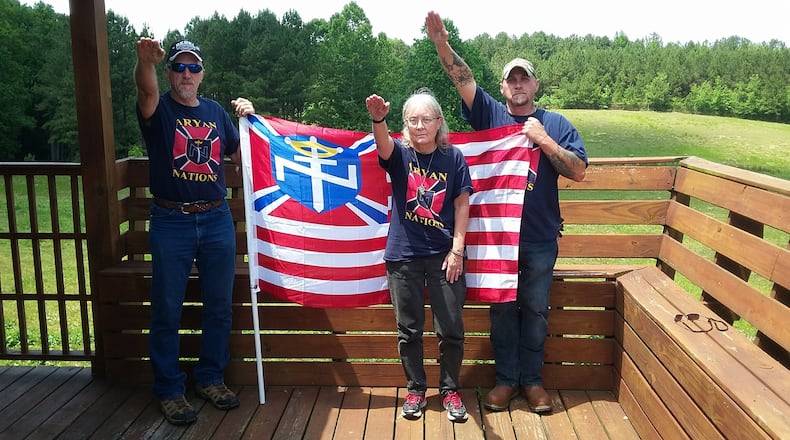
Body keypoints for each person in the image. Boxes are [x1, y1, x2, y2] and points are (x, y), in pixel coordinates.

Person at [426, 11, 589, 414]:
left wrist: (544, 140)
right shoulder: (491, 116)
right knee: (500, 309)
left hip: (538, 238)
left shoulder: (556, 124)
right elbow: (463, 79)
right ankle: (505, 380)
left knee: (535, 310)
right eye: (511, 79)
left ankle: (531, 382)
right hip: (498, 238)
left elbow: (578, 171)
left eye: (524, 79)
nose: (518, 85)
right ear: (503, 87)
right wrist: (442, 44)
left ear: (535, 85)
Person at [134, 37, 256, 426]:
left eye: (194, 67)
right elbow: (146, 91)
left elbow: (244, 155)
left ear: (202, 73)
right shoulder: (159, 109)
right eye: (179, 67)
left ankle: (210, 378)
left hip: (216, 218)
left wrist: (250, 121)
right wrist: (145, 63)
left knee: (219, 306)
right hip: (171, 220)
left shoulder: (216, 112)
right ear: (170, 72)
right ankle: (169, 389)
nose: (187, 74)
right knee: (167, 307)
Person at [365, 90, 474, 422]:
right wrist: (378, 120)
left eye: (426, 119)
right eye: (413, 120)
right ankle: (416, 389)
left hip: (444, 256)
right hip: (403, 256)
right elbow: (383, 147)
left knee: (451, 327)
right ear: (405, 125)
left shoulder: (453, 158)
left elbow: (462, 204)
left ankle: (450, 390)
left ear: (439, 122)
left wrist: (457, 250)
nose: (420, 125)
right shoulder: (400, 154)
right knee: (409, 329)